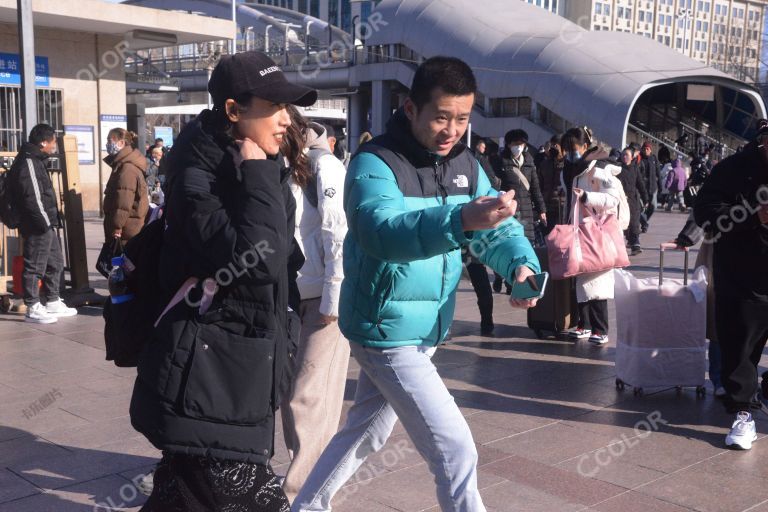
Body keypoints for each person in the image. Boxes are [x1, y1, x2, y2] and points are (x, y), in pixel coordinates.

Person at [292, 56, 540, 512]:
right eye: (441, 117)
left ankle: (305, 507)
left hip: (426, 326)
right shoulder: (376, 161)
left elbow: (498, 230)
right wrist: (463, 217)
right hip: (385, 328)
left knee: (367, 430)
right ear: (411, 109)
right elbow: (380, 231)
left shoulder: (466, 162)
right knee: (455, 449)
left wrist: (520, 265)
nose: (452, 130)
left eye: (462, 119)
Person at [130, 50, 317, 511]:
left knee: (179, 499)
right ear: (233, 111)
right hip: (208, 381)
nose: (285, 120)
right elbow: (256, 263)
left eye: (288, 107)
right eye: (273, 107)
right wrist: (255, 175)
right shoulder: (200, 173)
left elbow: (283, 259)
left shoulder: (261, 165)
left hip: (238, 369)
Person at [279, 107, 350, 502]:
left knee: (308, 395)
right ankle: (305, 483)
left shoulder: (325, 166)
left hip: (323, 300)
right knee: (293, 396)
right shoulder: (279, 164)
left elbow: (337, 232)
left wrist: (334, 297)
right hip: (289, 296)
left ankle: (300, 496)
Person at [693, 119, 768, 450]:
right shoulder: (733, 168)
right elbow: (706, 214)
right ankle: (743, 413)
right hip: (743, 276)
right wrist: (754, 215)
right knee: (740, 349)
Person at [562, 127, 627, 345]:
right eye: (567, 149)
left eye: (574, 148)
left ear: (585, 147)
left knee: (597, 281)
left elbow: (612, 199)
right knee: (580, 278)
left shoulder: (599, 168)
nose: (570, 153)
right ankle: (584, 324)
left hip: (596, 232)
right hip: (578, 231)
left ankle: (600, 328)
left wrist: (588, 197)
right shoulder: (571, 168)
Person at [9, 124, 77, 324]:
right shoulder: (28, 162)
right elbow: (33, 197)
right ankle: (32, 306)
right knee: (35, 265)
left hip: (46, 223)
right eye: (54, 141)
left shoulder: (37, 160)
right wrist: (45, 223)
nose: (55, 145)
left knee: (54, 262)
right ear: (43, 143)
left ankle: (53, 300)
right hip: (38, 224)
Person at [491, 129, 546, 293]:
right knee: (507, 245)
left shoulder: (529, 163)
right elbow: (495, 187)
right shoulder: (500, 163)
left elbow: (535, 189)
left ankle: (514, 281)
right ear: (508, 145)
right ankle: (501, 277)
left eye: (521, 144)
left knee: (524, 246)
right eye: (515, 144)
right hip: (509, 211)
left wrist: (542, 210)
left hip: (527, 212)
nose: (519, 147)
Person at [102, 128, 149, 245]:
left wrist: (117, 226)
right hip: (126, 228)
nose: (107, 144)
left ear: (121, 143)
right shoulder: (122, 165)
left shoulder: (127, 169)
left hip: (126, 231)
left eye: (109, 140)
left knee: (121, 261)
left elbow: (123, 202)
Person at [616, 147, 648, 256]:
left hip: (633, 199)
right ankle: (627, 241)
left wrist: (645, 198)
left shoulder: (635, 169)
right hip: (620, 200)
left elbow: (640, 184)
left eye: (627, 155)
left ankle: (635, 244)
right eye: (623, 155)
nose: (625, 157)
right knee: (623, 222)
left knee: (634, 221)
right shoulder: (617, 168)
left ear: (632, 157)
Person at [537, 133, 565, 233]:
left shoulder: (568, 165)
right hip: (546, 207)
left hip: (561, 208)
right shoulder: (545, 164)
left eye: (556, 146)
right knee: (547, 237)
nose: (553, 149)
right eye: (552, 146)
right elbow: (539, 185)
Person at [639, 142, 660, 233]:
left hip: (653, 187)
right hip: (642, 187)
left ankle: (644, 221)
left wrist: (660, 186)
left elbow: (658, 173)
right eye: (644, 148)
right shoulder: (639, 158)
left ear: (650, 150)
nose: (646, 150)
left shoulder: (654, 158)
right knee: (639, 208)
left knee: (653, 206)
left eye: (647, 149)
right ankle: (644, 223)